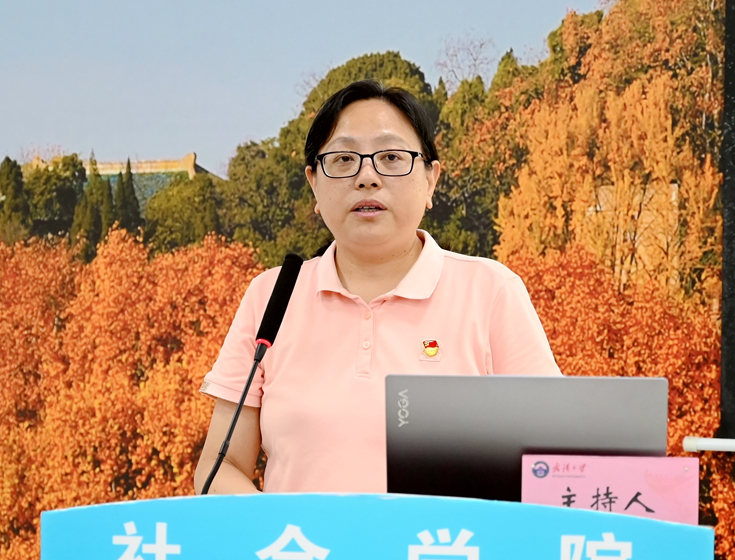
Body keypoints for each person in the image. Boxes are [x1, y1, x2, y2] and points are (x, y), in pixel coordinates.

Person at [194, 80, 560, 495]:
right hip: (301, 539)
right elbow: (219, 469)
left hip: (443, 538)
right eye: (344, 159)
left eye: (391, 157)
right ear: (314, 183)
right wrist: (296, 527)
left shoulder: (490, 292)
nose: (367, 177)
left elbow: (551, 461)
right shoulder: (271, 297)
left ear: (431, 179)